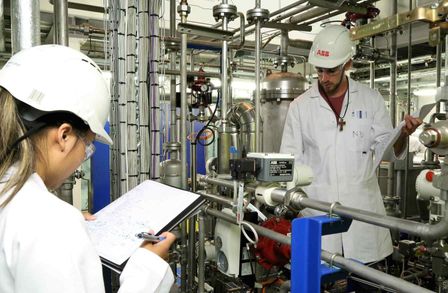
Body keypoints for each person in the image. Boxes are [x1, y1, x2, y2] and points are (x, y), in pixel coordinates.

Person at [0, 45, 176, 293]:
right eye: (88, 146)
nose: (83, 157)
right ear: (64, 136)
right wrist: (148, 267)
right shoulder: (51, 223)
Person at [280, 25, 422, 264]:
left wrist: (403, 135)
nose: (324, 78)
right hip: (317, 215)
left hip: (363, 217)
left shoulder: (371, 99)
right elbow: (289, 162)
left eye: (331, 71)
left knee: (367, 283)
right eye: (319, 71)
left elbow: (386, 149)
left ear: (347, 63)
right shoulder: (300, 106)